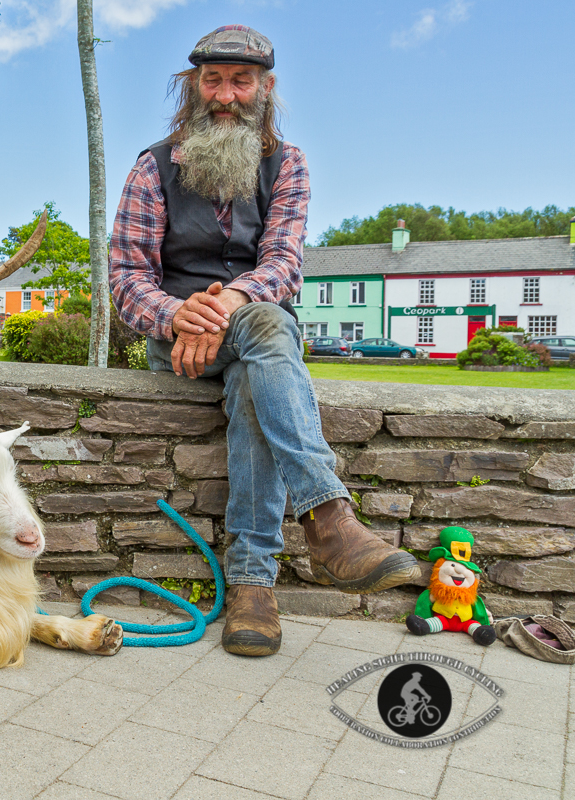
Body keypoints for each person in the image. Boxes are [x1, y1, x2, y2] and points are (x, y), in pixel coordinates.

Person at [108, 25, 419, 658]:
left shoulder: (289, 164)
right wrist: (177, 315)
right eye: (213, 79)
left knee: (262, 351)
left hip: (255, 331)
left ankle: (252, 588)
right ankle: (329, 522)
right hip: (181, 342)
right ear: (194, 85)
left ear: (265, 88)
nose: (226, 94)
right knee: (271, 332)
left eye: (241, 81)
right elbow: (127, 277)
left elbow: (282, 265)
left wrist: (228, 300)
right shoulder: (154, 165)